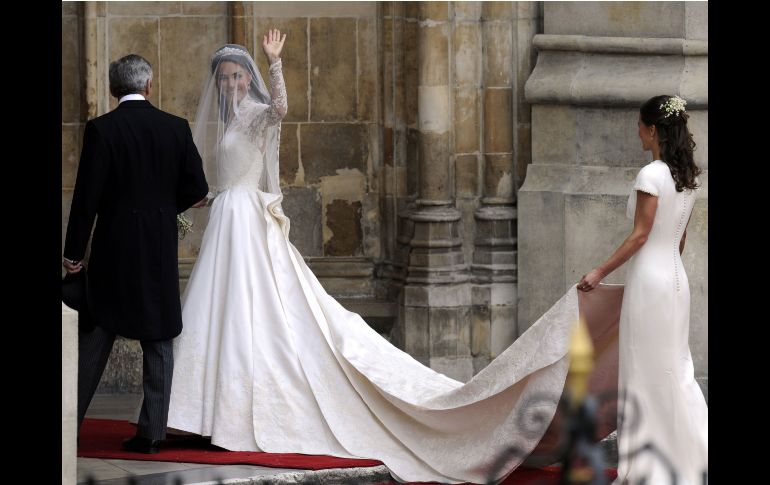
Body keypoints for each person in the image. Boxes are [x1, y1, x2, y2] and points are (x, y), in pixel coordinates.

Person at [63, 54, 209, 454]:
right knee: (159, 337)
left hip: (112, 250)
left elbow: (86, 198)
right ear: (148, 86)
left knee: (95, 336)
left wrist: (73, 253)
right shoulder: (175, 128)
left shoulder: (102, 129)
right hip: (158, 249)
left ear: (113, 89)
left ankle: (66, 430)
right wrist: (163, 207)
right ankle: (152, 434)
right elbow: (198, 191)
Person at [578, 95, 708, 484]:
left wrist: (599, 271)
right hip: (675, 279)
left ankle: (650, 467)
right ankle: (691, 458)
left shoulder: (651, 175)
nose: (637, 131)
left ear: (653, 130)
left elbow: (639, 236)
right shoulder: (689, 178)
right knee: (675, 368)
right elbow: (679, 240)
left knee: (646, 373)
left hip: (650, 282)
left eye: (639, 125)